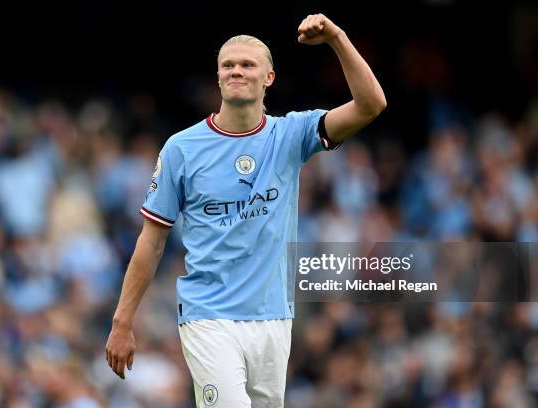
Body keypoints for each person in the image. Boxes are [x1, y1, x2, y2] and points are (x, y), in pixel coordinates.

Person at [106, 13, 386, 407]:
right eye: (227, 65)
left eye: (247, 64)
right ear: (218, 77)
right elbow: (151, 242)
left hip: (273, 316)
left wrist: (337, 37)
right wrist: (122, 321)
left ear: (268, 77)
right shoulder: (181, 149)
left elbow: (372, 104)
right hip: (209, 315)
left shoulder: (291, 135)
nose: (236, 71)